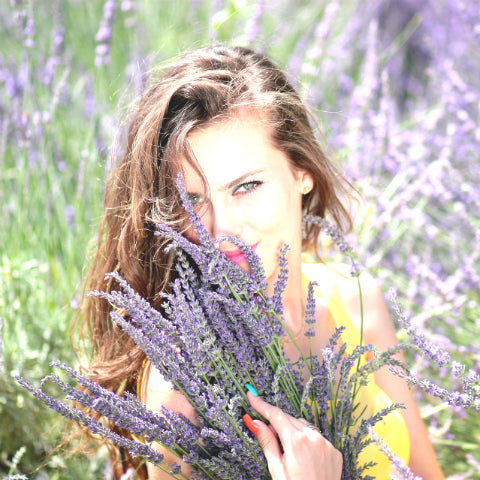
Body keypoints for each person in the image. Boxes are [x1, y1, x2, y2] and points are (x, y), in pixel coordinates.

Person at [75, 44, 444, 479]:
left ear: (301, 172)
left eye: (246, 186)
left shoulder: (357, 298)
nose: (221, 228)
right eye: (192, 199)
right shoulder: (185, 388)